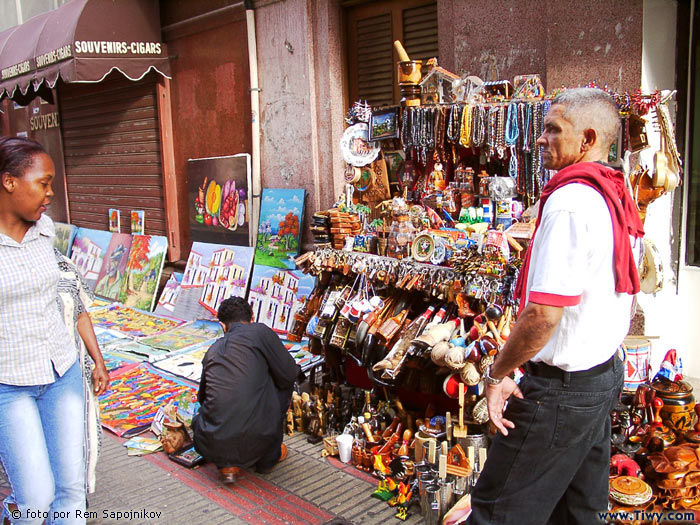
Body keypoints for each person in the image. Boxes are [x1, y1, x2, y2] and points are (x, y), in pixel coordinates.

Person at [468, 88, 644, 524]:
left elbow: (544, 315)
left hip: (563, 391)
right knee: (579, 508)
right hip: (602, 376)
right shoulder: (615, 190)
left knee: (498, 511)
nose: (540, 139)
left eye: (552, 129)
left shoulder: (570, 200)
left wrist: (497, 372)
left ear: (586, 139)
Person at [0, 137, 87, 524]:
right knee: (34, 500)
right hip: (9, 383)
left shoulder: (45, 228)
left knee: (71, 490)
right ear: (9, 182)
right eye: (44, 182)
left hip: (60, 371)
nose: (50, 193)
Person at [192, 296, 301, 484]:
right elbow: (289, 374)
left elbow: (202, 398)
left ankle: (227, 462)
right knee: (285, 379)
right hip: (257, 439)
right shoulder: (260, 332)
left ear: (222, 326)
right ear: (252, 317)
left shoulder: (213, 350)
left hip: (209, 442)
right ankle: (267, 456)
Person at [54, 249, 110, 496]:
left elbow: (80, 314)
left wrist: (98, 362)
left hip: (73, 368)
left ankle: (74, 494)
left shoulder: (63, 264)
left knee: (79, 431)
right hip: (27, 376)